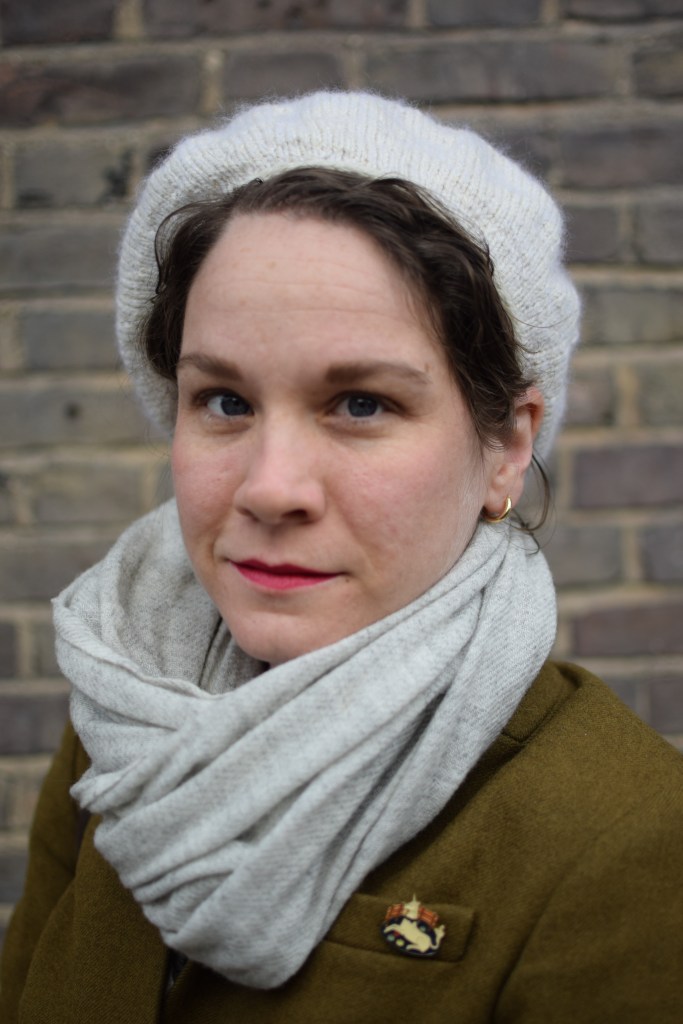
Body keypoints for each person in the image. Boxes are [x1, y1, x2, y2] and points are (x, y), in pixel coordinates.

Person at [1, 91, 680, 1023]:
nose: (271, 487)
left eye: (360, 403)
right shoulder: (123, 722)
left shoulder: (626, 838)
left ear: (506, 445)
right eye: (225, 401)